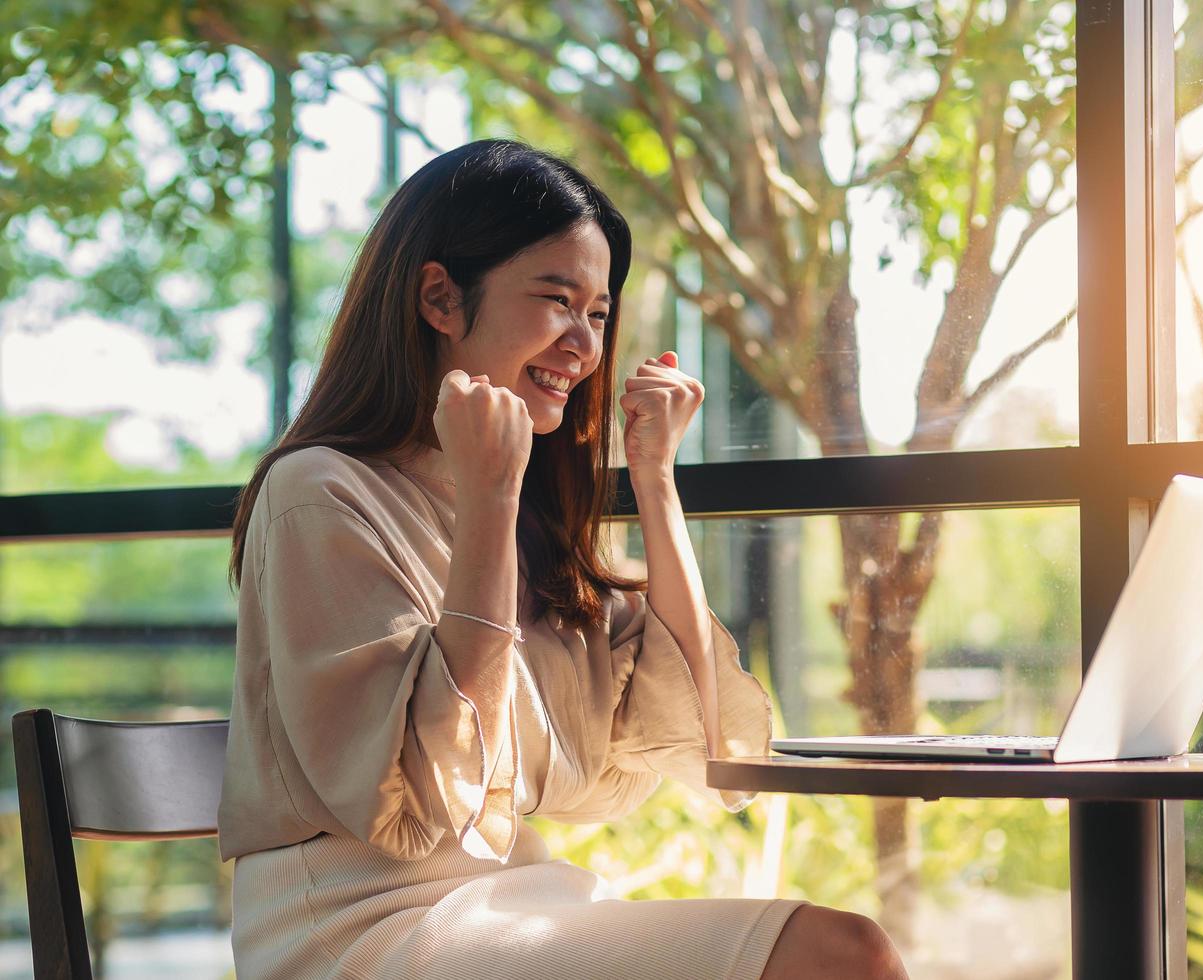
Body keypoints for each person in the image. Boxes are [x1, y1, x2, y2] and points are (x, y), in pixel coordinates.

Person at [217, 139, 907, 980]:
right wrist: (490, 496)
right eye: (556, 300)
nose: (583, 344)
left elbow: (702, 734)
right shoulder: (317, 493)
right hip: (358, 925)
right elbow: (422, 800)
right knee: (840, 954)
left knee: (840, 949)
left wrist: (653, 479)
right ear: (439, 296)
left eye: (600, 314)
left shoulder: (529, 517)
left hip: (513, 901)